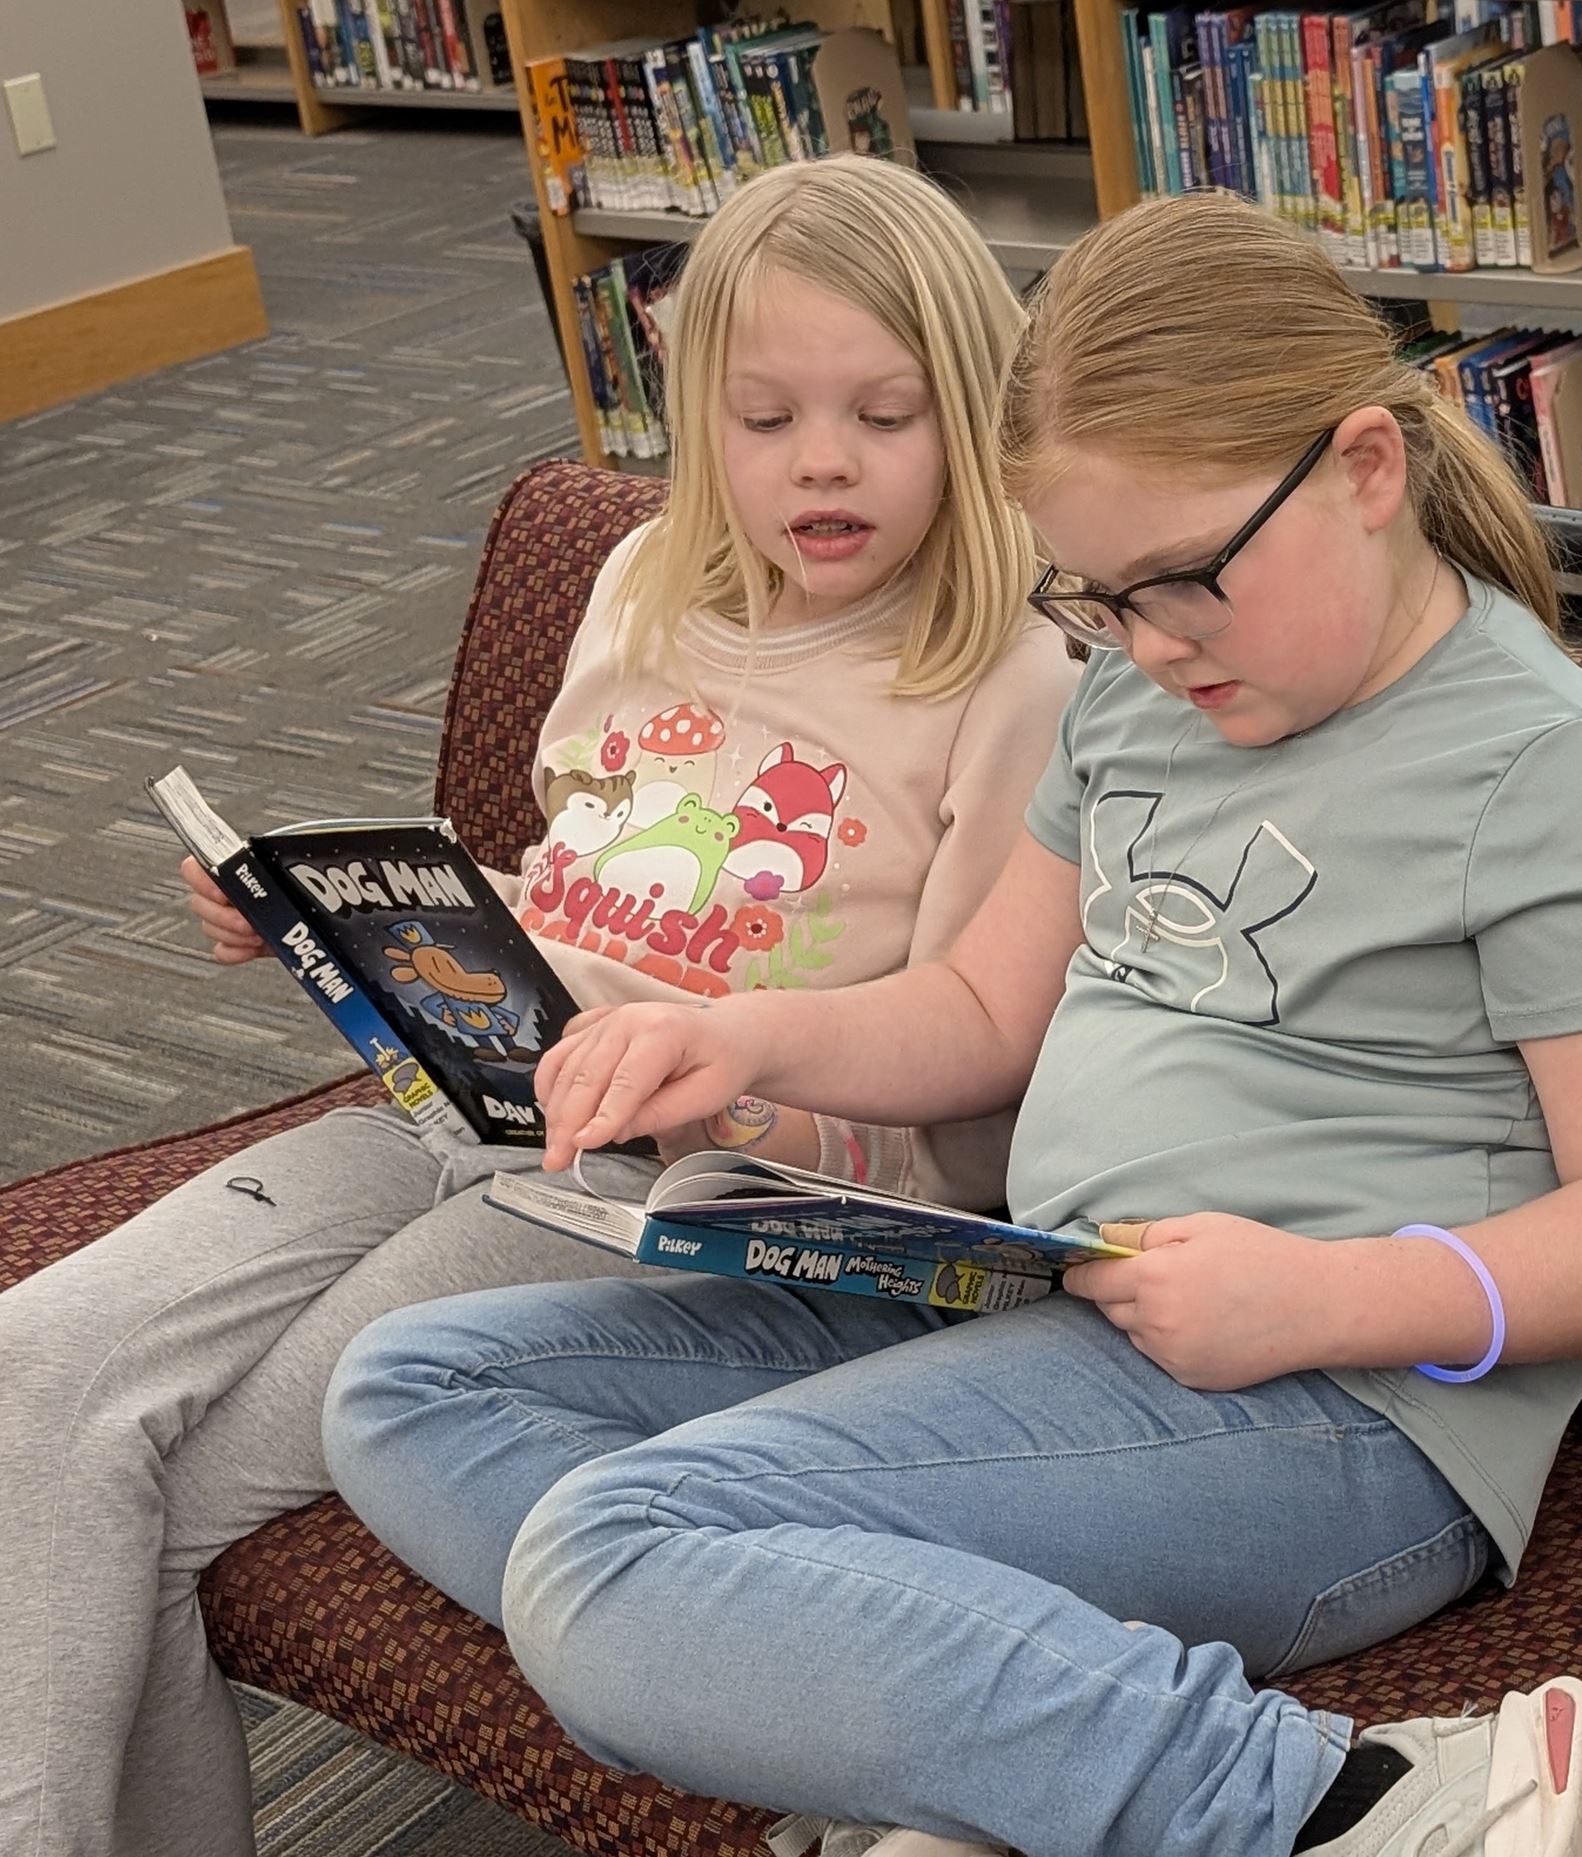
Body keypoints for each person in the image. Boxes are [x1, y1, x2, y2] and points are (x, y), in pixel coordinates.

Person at [322, 189, 1582, 1857]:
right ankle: (916, 1729)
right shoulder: (1146, 699)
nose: (1147, 642)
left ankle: (1356, 1803)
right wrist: (751, 1040)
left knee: (608, 1546)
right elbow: (988, 1008)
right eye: (1101, 598)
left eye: (1187, 581)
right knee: (409, 1390)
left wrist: (1321, 1294)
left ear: (1369, 471)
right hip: (1035, 1293)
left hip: (1346, 1402)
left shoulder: (1558, 775)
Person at [0, 153, 1076, 1857]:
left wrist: (714, 1085)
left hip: (665, 1192)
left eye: (885, 414)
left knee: (141, 1493)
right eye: (765, 415)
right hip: (460, 1110)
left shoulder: (1007, 683)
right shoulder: (649, 583)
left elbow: (973, 1075)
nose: (821, 461)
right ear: (692, 416)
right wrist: (346, 925)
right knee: (29, 1369)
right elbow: (580, 874)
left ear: (972, 414)